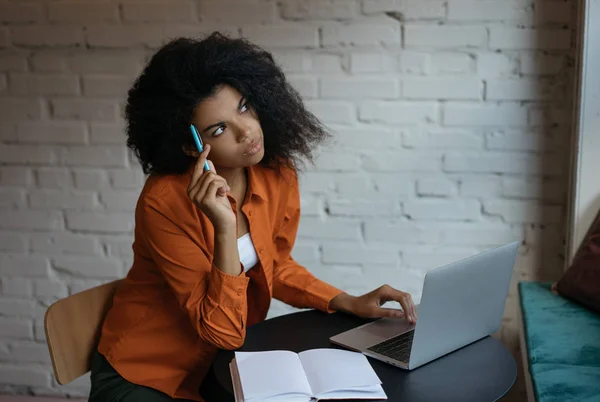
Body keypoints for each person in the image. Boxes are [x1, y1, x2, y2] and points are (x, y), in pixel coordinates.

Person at [89, 32, 417, 402]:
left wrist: (346, 300)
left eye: (243, 107)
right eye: (219, 129)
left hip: (223, 365)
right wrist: (224, 227)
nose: (247, 132)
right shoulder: (164, 202)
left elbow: (274, 266)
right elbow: (223, 330)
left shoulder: (276, 173)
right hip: (146, 373)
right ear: (189, 145)